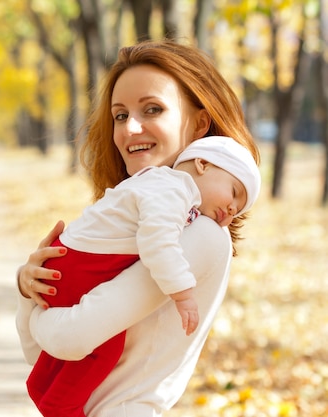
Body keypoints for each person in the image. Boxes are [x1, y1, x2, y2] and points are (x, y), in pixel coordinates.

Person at [15, 39, 261, 417]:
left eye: (152, 109)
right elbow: (41, 360)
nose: (130, 128)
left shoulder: (203, 236)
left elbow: (71, 336)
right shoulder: (133, 222)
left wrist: (35, 313)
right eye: (119, 115)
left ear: (198, 124)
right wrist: (31, 285)